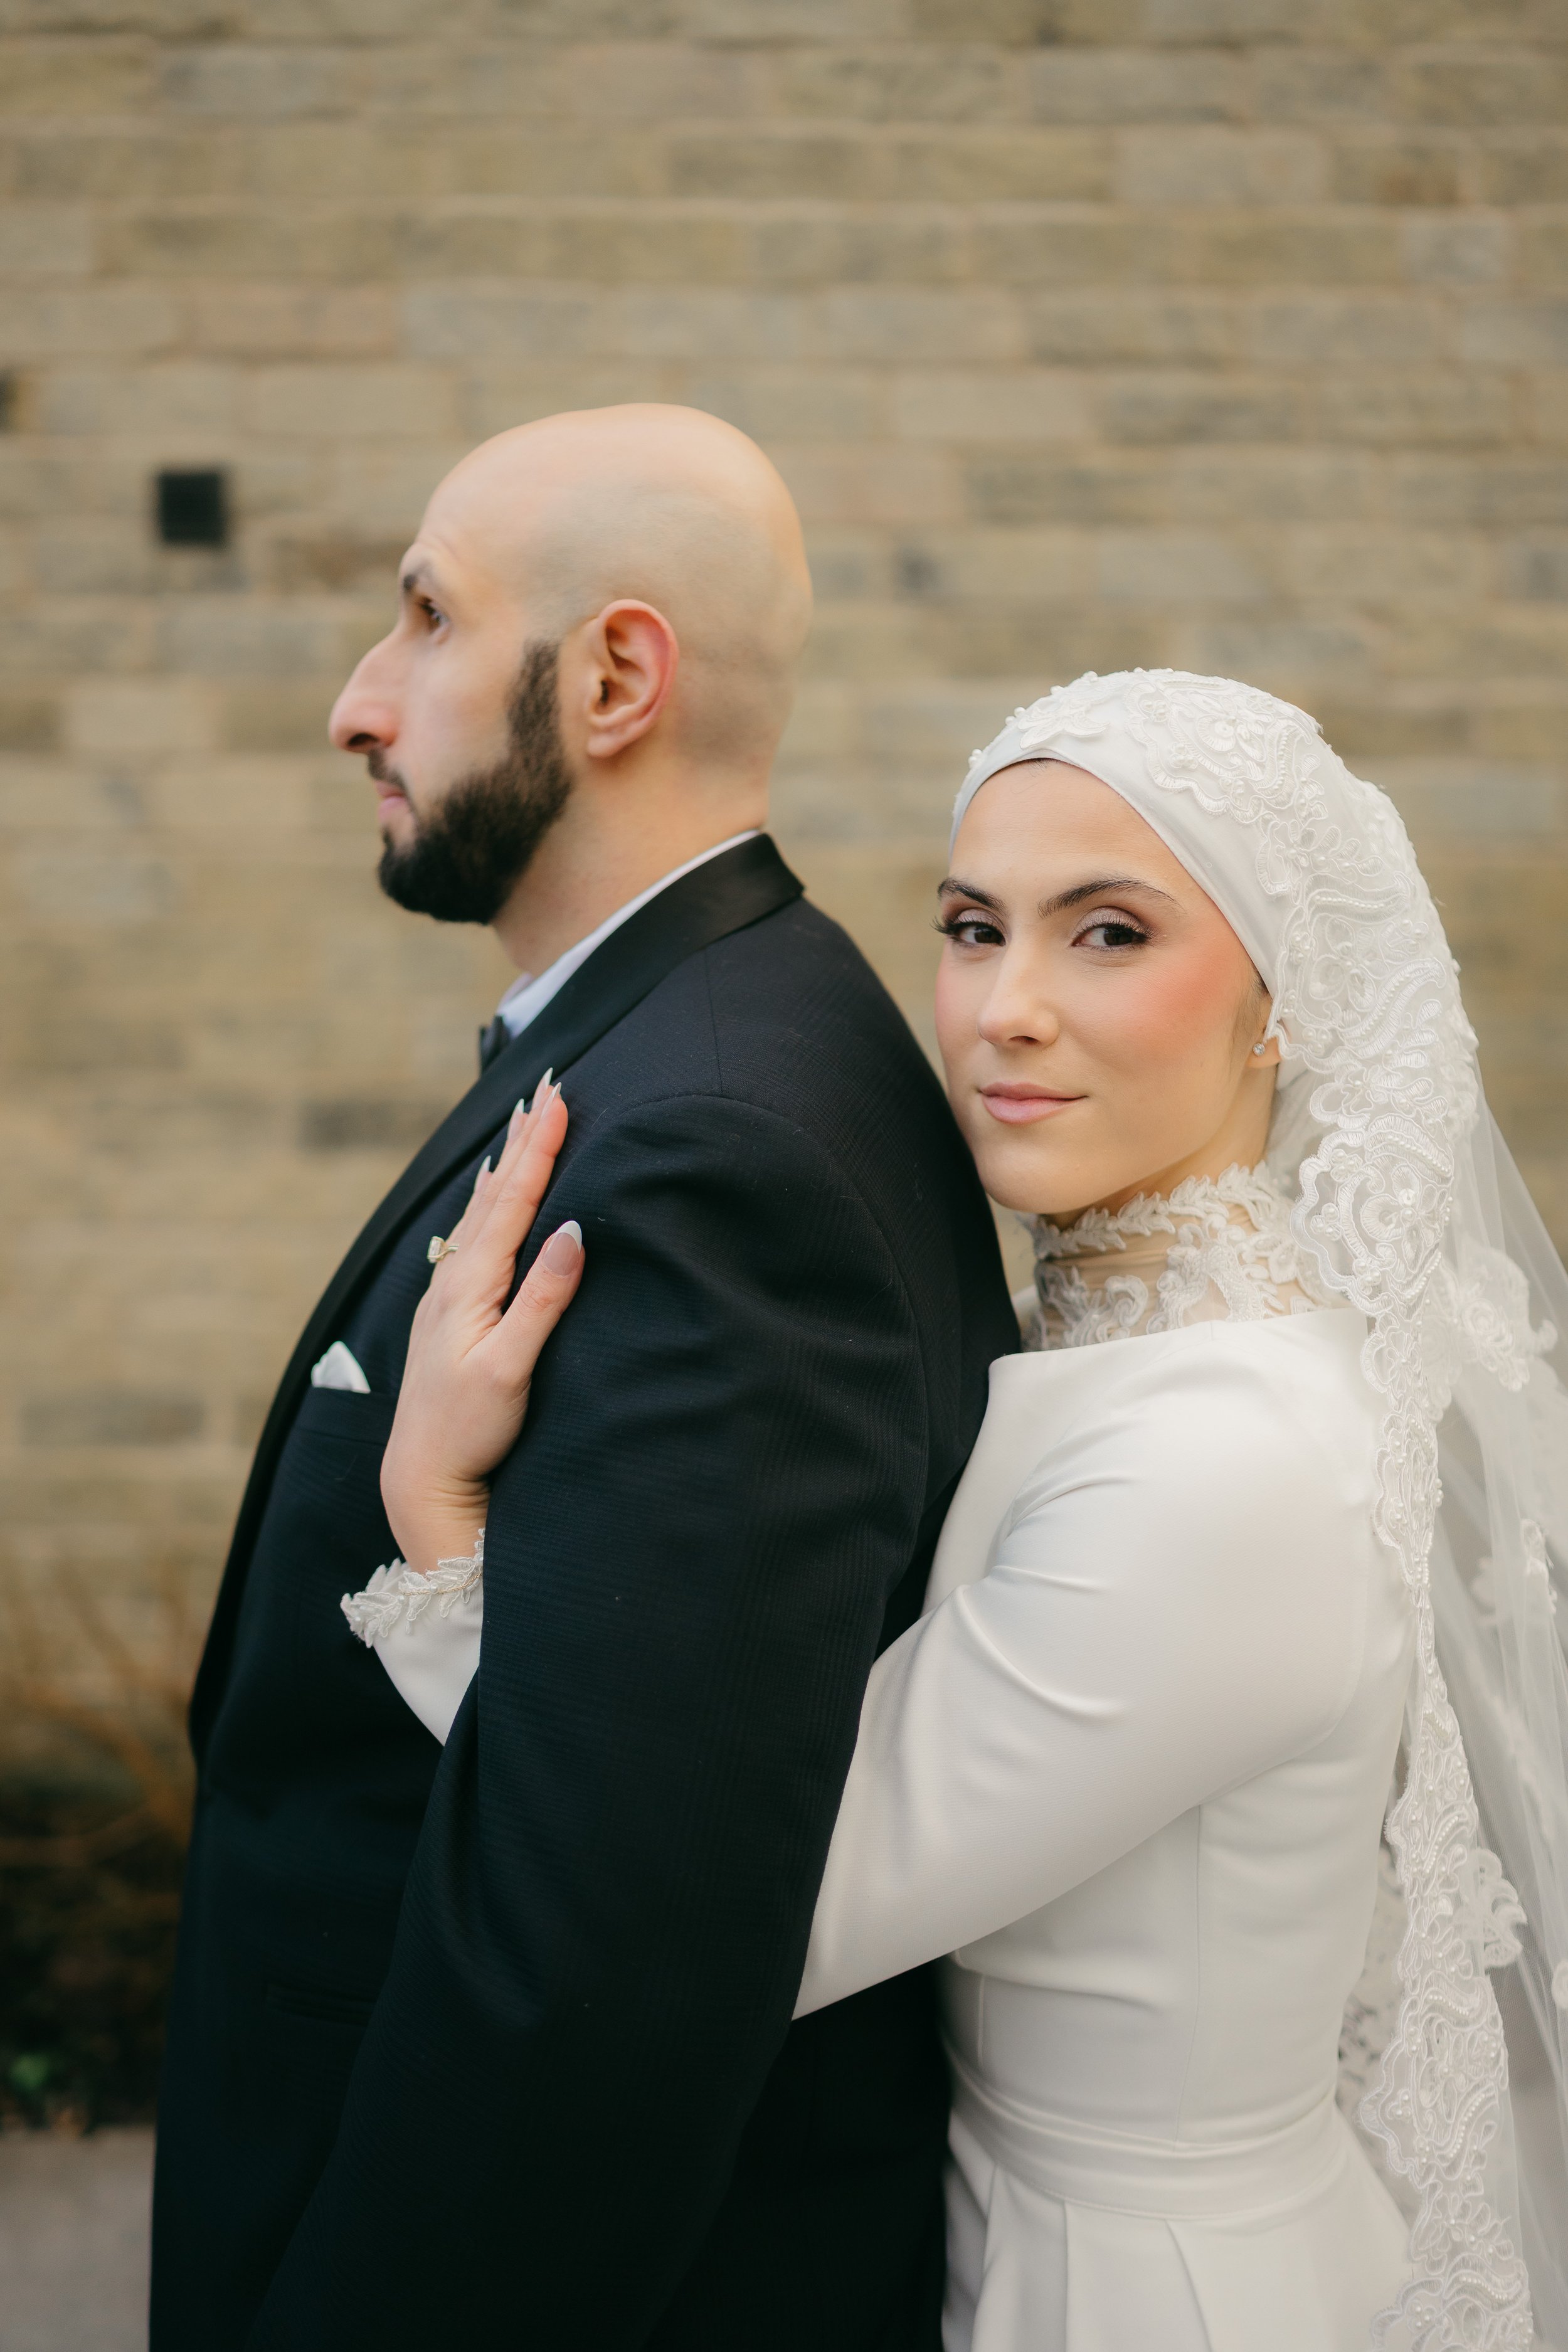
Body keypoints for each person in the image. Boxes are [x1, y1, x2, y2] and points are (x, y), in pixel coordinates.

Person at [374, 669, 1568, 2351]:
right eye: (971, 927)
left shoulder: (1225, 1461)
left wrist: (441, 1525)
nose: (1004, 1008)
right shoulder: (1127, 1350)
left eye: (1107, 934)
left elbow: (742, 1913)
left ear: (1281, 1003)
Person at [149, 406, 1019, 2351]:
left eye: (426, 619)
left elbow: (602, 1963)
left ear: (616, 678)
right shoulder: (681, 1044)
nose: (357, 705)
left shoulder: (713, 1143)